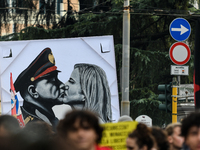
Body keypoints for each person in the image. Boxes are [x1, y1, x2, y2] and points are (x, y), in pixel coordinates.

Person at [14, 48, 67, 129]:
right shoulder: (30, 126)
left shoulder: (47, 119)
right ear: (33, 91)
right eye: (52, 81)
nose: (62, 85)